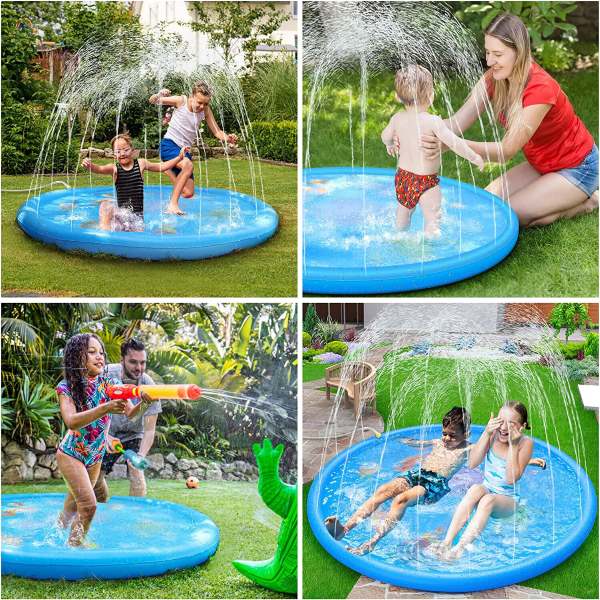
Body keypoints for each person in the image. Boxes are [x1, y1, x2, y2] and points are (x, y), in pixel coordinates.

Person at [420, 12, 598, 227]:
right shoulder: (495, 79)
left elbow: (506, 151)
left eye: (498, 54)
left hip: (578, 166)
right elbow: (456, 122)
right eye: (487, 52)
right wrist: (422, 129)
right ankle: (556, 204)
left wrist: (452, 144)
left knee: (509, 216)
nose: (489, 61)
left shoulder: (540, 90)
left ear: (519, 53)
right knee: (486, 203)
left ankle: (589, 202)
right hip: (540, 164)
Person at [324, 407, 473, 555]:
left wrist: (490, 432)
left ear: (466, 434)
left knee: (400, 500)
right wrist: (398, 439)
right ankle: (344, 530)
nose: (446, 438)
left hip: (433, 485)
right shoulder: (438, 442)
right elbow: (418, 443)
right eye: (444, 433)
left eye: (452, 436)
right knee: (383, 490)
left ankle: (371, 543)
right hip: (417, 474)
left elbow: (483, 449)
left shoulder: (467, 449)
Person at [55, 333, 144, 546]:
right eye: (92, 352)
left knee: (72, 505)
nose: (100, 357)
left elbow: (132, 414)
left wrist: (146, 403)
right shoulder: (66, 387)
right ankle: (73, 549)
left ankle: (52, 536)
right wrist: (105, 407)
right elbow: (71, 421)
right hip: (71, 454)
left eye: (101, 353)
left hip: (95, 455)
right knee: (88, 504)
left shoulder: (109, 383)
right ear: (77, 357)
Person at [382, 65, 484, 237]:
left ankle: (397, 239)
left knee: (402, 216)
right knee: (432, 218)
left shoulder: (397, 119)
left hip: (403, 178)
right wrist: (474, 156)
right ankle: (430, 247)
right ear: (431, 96)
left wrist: (390, 144)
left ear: (397, 97)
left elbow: (385, 136)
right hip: (426, 181)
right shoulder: (433, 121)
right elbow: (454, 142)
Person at [433, 401, 535, 559]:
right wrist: (487, 433)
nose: (503, 427)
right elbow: (472, 463)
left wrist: (513, 446)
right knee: (475, 489)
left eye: (511, 424)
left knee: (488, 499)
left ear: (522, 426)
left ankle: (458, 549)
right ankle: (446, 542)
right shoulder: (493, 434)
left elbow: (510, 479)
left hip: (507, 501)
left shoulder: (525, 443)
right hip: (487, 489)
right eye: (501, 421)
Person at [149, 81, 239, 215]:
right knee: (188, 166)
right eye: (199, 102)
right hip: (169, 145)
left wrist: (227, 138)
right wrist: (159, 94)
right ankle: (172, 205)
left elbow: (216, 132)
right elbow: (153, 101)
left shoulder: (206, 110)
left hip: (184, 151)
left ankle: (166, 169)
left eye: (206, 103)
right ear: (192, 96)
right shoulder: (181, 101)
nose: (202, 106)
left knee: (188, 193)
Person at [94, 338, 161, 501]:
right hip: (107, 431)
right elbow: (90, 409)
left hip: (133, 434)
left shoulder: (149, 387)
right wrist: (105, 436)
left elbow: (150, 430)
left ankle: (136, 518)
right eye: (133, 362)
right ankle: (101, 510)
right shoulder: (106, 374)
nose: (139, 368)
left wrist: (141, 455)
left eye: (142, 363)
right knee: (95, 480)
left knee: (137, 472)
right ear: (122, 359)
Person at [82, 133, 190, 230]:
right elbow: (99, 169)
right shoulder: (114, 168)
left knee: (136, 231)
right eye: (118, 151)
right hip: (121, 216)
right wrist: (90, 166)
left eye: (125, 149)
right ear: (114, 154)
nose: (122, 153)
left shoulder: (141, 164)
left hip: (136, 219)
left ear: (133, 151)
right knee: (105, 205)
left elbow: (161, 166)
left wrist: (179, 157)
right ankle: (105, 233)